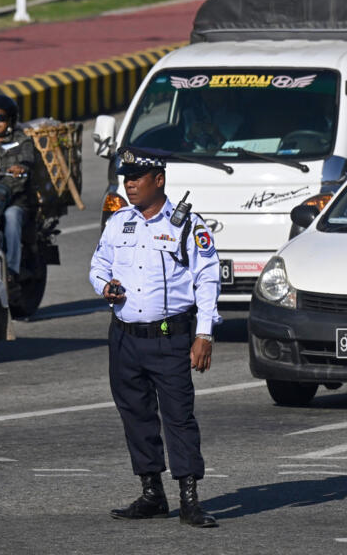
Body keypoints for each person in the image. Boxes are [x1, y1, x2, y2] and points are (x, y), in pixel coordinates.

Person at [88, 148, 222, 528]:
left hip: (169, 339)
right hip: (125, 339)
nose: (129, 183)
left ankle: (190, 498)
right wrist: (105, 286)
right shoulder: (119, 222)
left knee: (178, 417)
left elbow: (207, 279)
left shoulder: (188, 225)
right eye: (125, 177)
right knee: (136, 415)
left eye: (137, 177)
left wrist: (205, 334)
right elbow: (98, 265)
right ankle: (152, 493)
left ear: (158, 180)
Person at [0, 94, 35, 280]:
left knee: (11, 217)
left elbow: (28, 160)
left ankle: (12, 270)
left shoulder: (21, 141)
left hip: (16, 199)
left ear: (11, 120)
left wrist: (22, 167)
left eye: (1, 118)